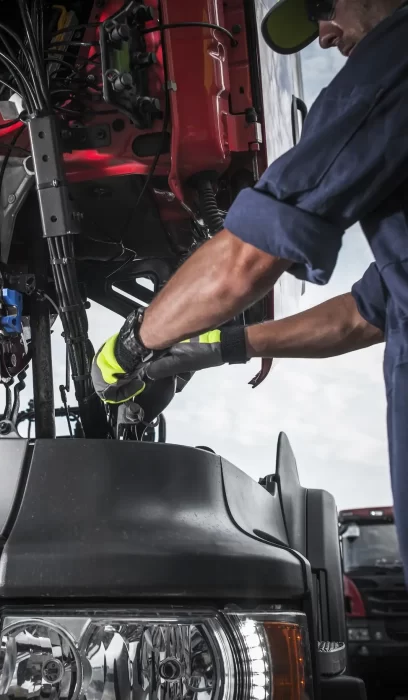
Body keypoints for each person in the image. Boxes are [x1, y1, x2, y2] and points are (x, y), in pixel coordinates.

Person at [91, 0, 408, 567]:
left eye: (323, 8)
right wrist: (227, 346)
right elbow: (365, 314)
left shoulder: (391, 66)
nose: (325, 37)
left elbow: (244, 261)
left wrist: (130, 345)